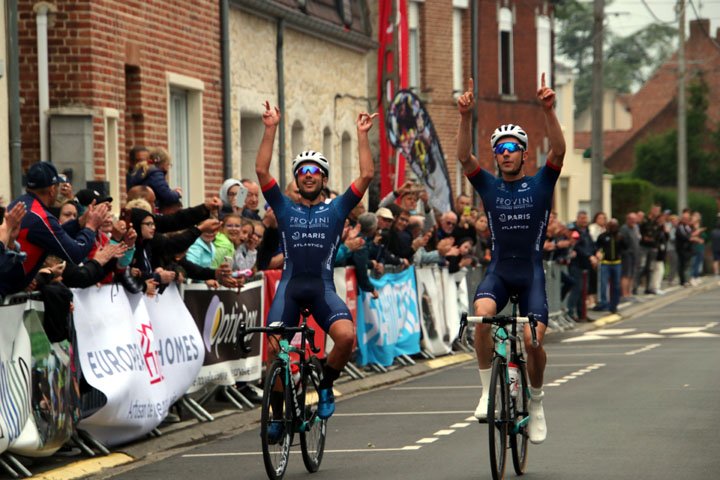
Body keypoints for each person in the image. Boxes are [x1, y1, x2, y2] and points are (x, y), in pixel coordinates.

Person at [456, 74, 565, 444]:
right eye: (499, 148)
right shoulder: (488, 185)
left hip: (531, 274)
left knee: (532, 342)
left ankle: (536, 403)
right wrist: (465, 116)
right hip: (499, 273)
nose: (504, 153)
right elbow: (463, 157)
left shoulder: (541, 184)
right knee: (482, 318)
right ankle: (488, 391)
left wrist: (549, 111)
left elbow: (559, 152)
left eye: (511, 148)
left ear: (522, 153)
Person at [255, 100, 376, 424]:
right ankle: (278, 415)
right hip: (290, 289)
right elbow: (262, 172)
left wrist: (362, 134)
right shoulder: (283, 207)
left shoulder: (337, 209)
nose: (308, 176)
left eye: (314, 172)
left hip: (322, 289)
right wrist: (270, 128)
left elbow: (366, 174)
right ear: (296, 180)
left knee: (347, 337)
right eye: (302, 172)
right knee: (274, 350)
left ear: (323, 178)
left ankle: (324, 384)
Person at [0, 162, 109, 296]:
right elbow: (75, 253)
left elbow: (54, 236)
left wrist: (79, 222)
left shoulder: (20, 204)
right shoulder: (41, 217)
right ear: (52, 190)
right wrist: (91, 227)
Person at [594, 219, 626, 313]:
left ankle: (614, 304)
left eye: (614, 226)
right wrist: (598, 253)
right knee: (603, 284)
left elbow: (625, 248)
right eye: (611, 226)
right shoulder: (603, 236)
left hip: (616, 263)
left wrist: (621, 240)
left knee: (616, 285)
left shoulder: (619, 236)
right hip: (605, 263)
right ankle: (604, 304)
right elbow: (596, 247)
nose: (612, 228)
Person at [619, 212, 640, 299]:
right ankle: (624, 294)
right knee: (626, 275)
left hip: (634, 254)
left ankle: (629, 293)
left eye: (634, 219)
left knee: (631, 274)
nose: (633, 221)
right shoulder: (624, 229)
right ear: (627, 220)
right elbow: (622, 242)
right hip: (627, 254)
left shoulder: (635, 228)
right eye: (631, 219)